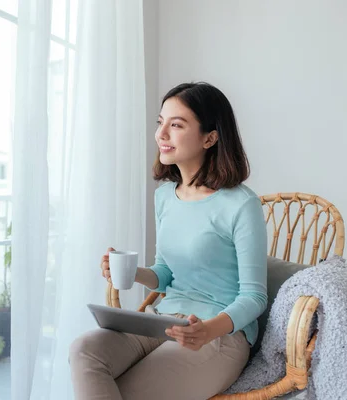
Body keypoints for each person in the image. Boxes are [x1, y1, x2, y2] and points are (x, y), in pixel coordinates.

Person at [69, 82, 268, 400]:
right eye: (161, 123)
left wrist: (207, 330)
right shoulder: (165, 196)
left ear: (210, 137)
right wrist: (132, 272)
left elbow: (255, 298)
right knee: (84, 350)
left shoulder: (241, 205)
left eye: (176, 125)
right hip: (160, 321)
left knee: (125, 391)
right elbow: (164, 274)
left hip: (217, 335)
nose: (162, 134)